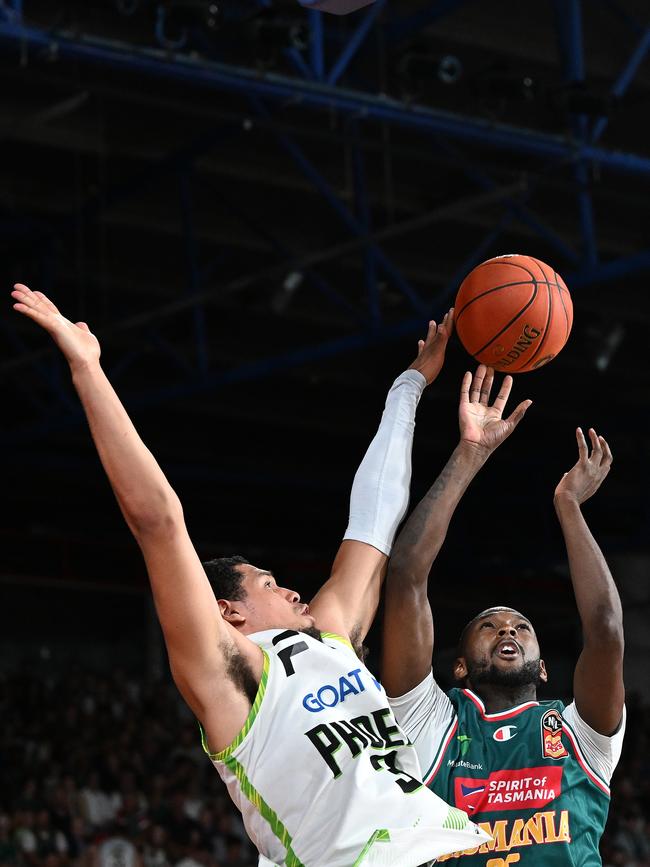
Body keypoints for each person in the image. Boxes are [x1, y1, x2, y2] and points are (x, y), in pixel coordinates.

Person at [12, 285, 489, 867]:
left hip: (455, 848)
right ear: (228, 612)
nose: (292, 590)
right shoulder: (233, 676)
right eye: (268, 585)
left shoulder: (329, 638)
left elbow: (374, 519)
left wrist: (410, 386)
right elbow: (159, 521)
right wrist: (88, 368)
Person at [382, 364, 625, 865]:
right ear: (459, 666)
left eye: (521, 627)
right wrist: (470, 453)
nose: (507, 630)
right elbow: (406, 574)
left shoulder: (579, 733)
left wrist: (569, 507)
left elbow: (604, 630)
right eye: (488, 626)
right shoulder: (431, 723)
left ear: (542, 667)